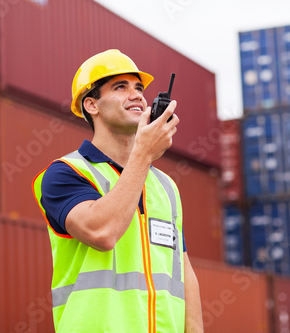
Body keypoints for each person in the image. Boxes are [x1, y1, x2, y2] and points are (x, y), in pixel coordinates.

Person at [32, 49, 203, 333]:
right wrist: (143, 155)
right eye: (120, 87)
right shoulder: (65, 172)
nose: (136, 95)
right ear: (92, 105)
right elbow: (102, 232)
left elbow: (183, 270)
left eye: (138, 88)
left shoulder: (166, 187)